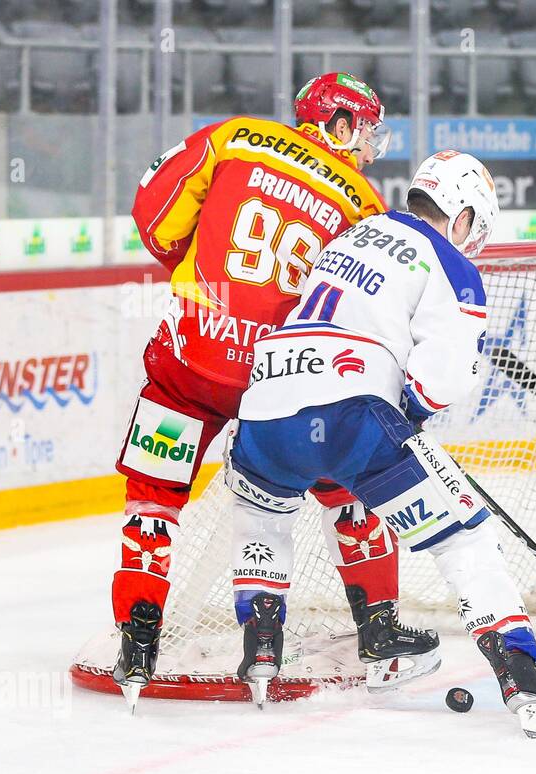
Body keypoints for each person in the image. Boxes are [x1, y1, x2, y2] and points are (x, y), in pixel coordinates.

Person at [225, 150, 536, 737]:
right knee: (464, 536)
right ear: (464, 215)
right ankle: (523, 677)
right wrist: (407, 415)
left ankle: (262, 645)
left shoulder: (353, 234)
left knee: (264, 517)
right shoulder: (448, 261)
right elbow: (443, 378)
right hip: (350, 415)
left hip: (263, 410)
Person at [111, 73, 392, 708]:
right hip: (277, 377)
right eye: (366, 130)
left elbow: (152, 214)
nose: (370, 148)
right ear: (339, 124)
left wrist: (201, 279)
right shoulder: (363, 203)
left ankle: (137, 638)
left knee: (153, 497)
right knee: (340, 481)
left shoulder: (235, 137)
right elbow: (349, 311)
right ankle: (357, 631)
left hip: (191, 355)